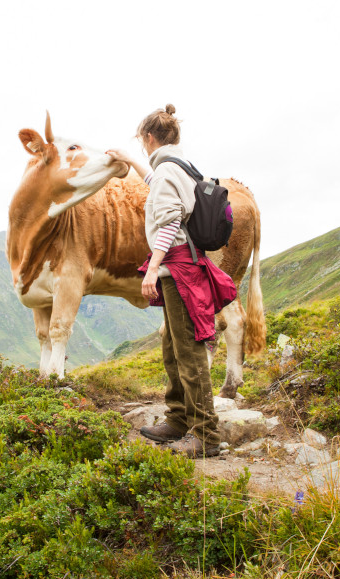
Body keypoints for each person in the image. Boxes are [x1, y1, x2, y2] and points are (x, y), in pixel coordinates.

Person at [106, 104, 234, 458]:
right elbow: (158, 188)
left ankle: (206, 434)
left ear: (149, 137)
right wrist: (132, 162)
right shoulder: (179, 167)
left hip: (177, 270)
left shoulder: (167, 171)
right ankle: (178, 419)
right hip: (185, 267)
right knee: (171, 346)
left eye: (140, 141)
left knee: (188, 351)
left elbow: (169, 222)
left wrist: (152, 269)